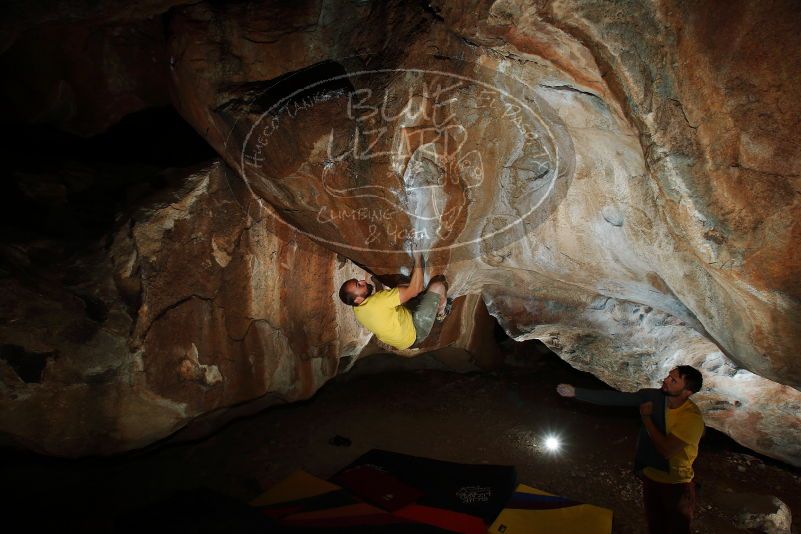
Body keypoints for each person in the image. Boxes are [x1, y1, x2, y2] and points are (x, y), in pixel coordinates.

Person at [557, 366, 704, 534]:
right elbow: (618, 398)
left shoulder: (691, 418)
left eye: (673, 380)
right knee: (655, 527)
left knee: (676, 530)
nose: (665, 380)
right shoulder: (654, 397)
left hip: (676, 484)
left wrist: (646, 418)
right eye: (668, 376)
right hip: (651, 477)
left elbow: (666, 450)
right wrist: (576, 392)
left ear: (687, 391)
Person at [338, 252, 451, 350]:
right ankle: (442, 313)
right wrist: (418, 259)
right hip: (415, 332)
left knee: (402, 286)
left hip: (401, 334)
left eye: (358, 281)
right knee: (438, 286)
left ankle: (418, 296)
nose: (362, 281)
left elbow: (380, 306)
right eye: (359, 285)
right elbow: (417, 288)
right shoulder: (378, 302)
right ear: (358, 299)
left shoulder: (357, 308)